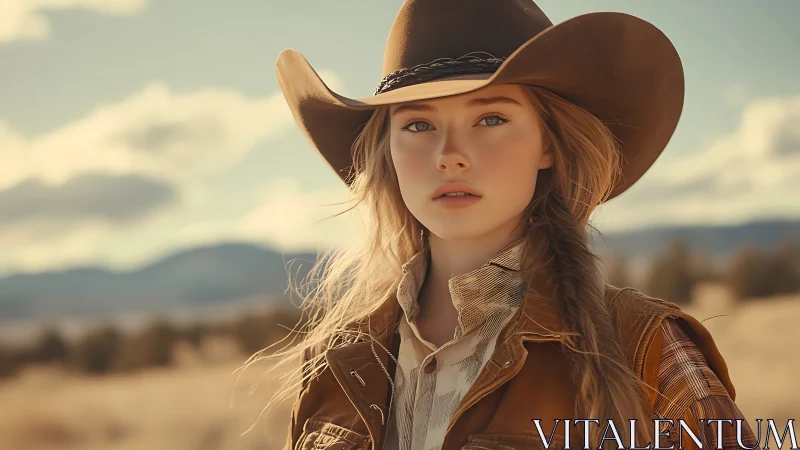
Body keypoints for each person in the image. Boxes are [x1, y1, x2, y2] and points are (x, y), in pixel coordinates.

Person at [263, 1, 759, 449]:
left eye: (491, 119)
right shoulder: (335, 365)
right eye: (418, 125)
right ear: (388, 152)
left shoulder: (644, 347)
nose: (449, 156)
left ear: (548, 144)